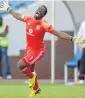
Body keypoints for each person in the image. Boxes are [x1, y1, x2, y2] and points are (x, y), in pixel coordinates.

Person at [0, 1, 84, 97]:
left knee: (20, 66)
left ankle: (32, 77)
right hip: (29, 49)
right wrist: (8, 8)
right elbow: (18, 16)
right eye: (39, 9)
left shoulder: (44, 24)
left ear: (43, 15)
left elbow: (59, 34)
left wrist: (73, 39)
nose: (39, 11)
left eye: (42, 11)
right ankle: (36, 89)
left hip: (37, 51)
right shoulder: (28, 19)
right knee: (30, 70)